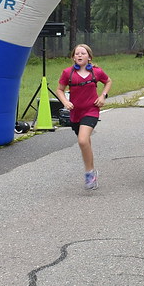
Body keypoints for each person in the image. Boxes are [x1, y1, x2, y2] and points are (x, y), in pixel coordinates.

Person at [56, 44, 112, 190]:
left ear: (89, 57)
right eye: (77, 54)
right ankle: (93, 170)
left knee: (82, 140)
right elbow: (60, 90)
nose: (80, 56)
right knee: (85, 142)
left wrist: (103, 96)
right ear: (73, 57)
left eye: (83, 53)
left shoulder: (96, 72)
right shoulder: (67, 73)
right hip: (75, 113)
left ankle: (89, 173)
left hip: (91, 110)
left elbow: (108, 81)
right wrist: (65, 102)